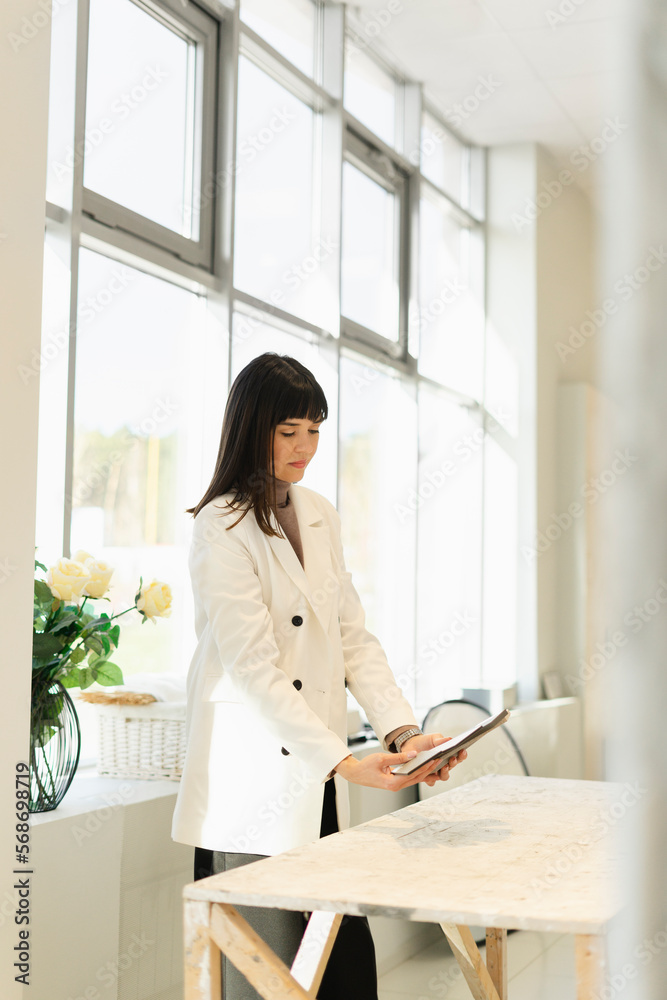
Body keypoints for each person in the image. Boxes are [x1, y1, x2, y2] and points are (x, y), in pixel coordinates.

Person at [171, 352, 467, 999]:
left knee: (341, 970)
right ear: (253, 429)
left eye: (314, 429)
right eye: (288, 432)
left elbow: (351, 635)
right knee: (266, 974)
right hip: (248, 788)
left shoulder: (318, 513)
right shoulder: (219, 527)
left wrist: (399, 732)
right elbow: (252, 668)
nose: (305, 447)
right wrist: (341, 760)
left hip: (311, 775)